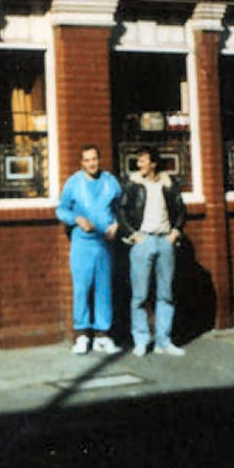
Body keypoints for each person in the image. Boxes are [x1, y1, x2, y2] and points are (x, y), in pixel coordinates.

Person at [118, 145, 187, 357]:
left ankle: (163, 341)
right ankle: (141, 340)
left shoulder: (168, 183)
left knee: (166, 294)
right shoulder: (133, 184)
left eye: (143, 160)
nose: (139, 164)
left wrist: (175, 232)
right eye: (138, 161)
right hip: (143, 240)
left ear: (153, 164)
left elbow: (181, 208)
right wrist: (134, 234)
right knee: (139, 295)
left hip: (165, 240)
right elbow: (121, 210)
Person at [56, 144, 122, 354]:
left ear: (99, 159)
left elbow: (122, 208)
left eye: (94, 159)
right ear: (81, 163)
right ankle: (82, 335)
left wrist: (117, 224)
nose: (91, 163)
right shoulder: (74, 183)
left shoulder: (110, 182)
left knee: (104, 288)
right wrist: (76, 219)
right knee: (82, 288)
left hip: (104, 243)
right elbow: (61, 209)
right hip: (82, 243)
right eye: (87, 160)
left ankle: (102, 335)